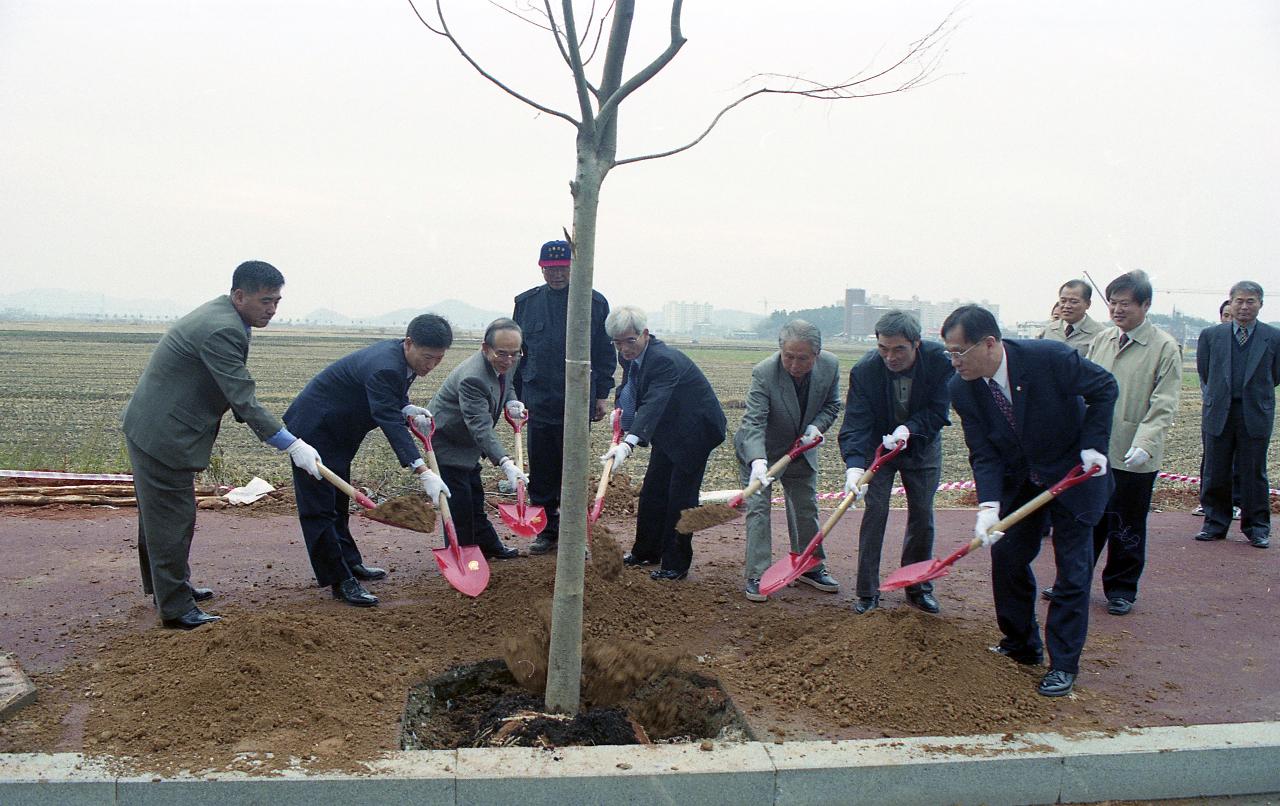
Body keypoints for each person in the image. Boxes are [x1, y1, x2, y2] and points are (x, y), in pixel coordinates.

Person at [121, 261, 324, 629]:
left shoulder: (226, 317)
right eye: (265, 301)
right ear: (239, 295)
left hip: (152, 426)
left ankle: (169, 588)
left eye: (277, 301)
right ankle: (176, 607)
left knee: (159, 518)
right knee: (172, 520)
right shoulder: (222, 329)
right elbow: (242, 398)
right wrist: (291, 444)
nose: (272, 310)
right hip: (164, 435)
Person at [943, 305, 1116, 697]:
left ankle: (1063, 664)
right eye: (948, 353)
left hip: (1074, 475)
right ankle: (1021, 644)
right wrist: (988, 506)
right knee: (1006, 559)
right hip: (1020, 481)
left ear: (989, 343)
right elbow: (983, 451)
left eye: (960, 352)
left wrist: (1093, 446)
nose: (954, 362)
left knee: (1072, 572)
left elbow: (1105, 388)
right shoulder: (961, 388)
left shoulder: (1049, 358)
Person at [283, 314, 454, 607]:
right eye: (427, 357)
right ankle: (339, 580)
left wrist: (405, 407)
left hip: (337, 434)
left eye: (438, 359)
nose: (431, 366)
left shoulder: (400, 359)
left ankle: (350, 562)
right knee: (319, 510)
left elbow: (390, 399)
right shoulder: (385, 366)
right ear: (409, 343)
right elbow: (386, 418)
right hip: (312, 433)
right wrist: (421, 469)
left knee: (337, 503)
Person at [1043, 271, 1181, 615]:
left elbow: (1164, 401)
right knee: (1086, 519)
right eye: (1113, 303)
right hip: (1096, 450)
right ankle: (1072, 581)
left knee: (1127, 523)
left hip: (1134, 453)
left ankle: (1121, 589)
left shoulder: (1164, 346)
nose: (1117, 310)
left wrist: (1146, 442)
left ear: (1145, 305)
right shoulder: (1102, 340)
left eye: (1125, 304)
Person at [838, 310, 954, 615]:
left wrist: (909, 429)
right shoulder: (865, 370)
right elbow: (856, 423)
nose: (890, 357)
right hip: (878, 447)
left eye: (899, 349)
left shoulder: (939, 361)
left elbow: (940, 410)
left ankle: (917, 587)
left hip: (922, 445)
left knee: (922, 514)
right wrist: (854, 466)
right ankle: (867, 591)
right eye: (883, 349)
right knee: (875, 511)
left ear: (916, 343)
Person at [600, 306, 726, 581]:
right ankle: (646, 551)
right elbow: (631, 386)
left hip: (695, 432)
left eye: (629, 341)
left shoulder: (663, 360)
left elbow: (655, 401)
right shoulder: (630, 356)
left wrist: (629, 442)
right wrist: (620, 410)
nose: (624, 348)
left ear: (644, 334)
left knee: (680, 499)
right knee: (653, 492)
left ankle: (675, 564)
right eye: (617, 343)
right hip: (669, 431)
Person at [512, 239, 616, 555]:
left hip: (577, 400)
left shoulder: (593, 303)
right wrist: (514, 397)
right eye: (550, 269)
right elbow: (518, 353)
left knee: (572, 468)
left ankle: (575, 533)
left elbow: (603, 351)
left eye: (562, 269)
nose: (556, 275)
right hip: (538, 399)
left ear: (574, 267)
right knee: (542, 469)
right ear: (541, 269)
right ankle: (547, 531)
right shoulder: (526, 303)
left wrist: (601, 395)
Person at [734, 320, 842, 602]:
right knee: (758, 508)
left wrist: (817, 427)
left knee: (805, 506)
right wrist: (757, 461)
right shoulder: (765, 373)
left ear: (817, 354)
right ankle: (757, 573)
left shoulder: (830, 366)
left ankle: (810, 565)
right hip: (761, 450)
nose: (794, 364)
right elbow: (754, 422)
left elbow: (832, 405)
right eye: (788, 356)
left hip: (801, 447)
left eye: (802, 358)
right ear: (780, 350)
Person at [427, 318, 528, 559]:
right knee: (459, 502)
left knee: (474, 494)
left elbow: (506, 383)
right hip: (448, 437)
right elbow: (479, 426)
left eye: (515, 353)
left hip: (468, 439)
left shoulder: (511, 359)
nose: (509, 360)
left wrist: (512, 399)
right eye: (502, 354)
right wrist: (505, 462)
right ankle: (463, 555)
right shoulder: (473, 378)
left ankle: (487, 544)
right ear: (485, 348)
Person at [1195, 281, 1279, 549]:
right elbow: (1205, 372)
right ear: (1230, 303)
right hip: (1219, 410)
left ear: (1261, 304)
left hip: (1254, 412)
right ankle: (1215, 523)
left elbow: (1275, 375)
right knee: (1215, 470)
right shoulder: (1211, 335)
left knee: (1253, 472)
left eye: (1250, 301)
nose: (1244, 306)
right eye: (1239, 301)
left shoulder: (1273, 337)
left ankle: (1257, 527)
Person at [1193, 300, 1242, 519]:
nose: (1229, 319)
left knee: (1241, 459)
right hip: (1215, 408)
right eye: (1226, 315)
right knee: (1212, 458)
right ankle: (1209, 504)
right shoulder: (1211, 338)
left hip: (1243, 410)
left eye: (1233, 316)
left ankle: (1237, 502)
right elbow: (1204, 372)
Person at [1038, 280, 1103, 352]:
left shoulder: (1101, 334)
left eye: (1073, 302)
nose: (1066, 306)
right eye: (1063, 301)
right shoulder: (1048, 331)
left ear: (1088, 304)